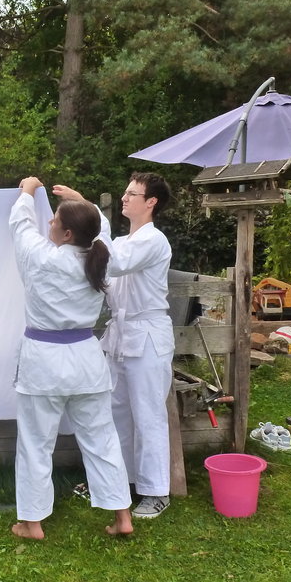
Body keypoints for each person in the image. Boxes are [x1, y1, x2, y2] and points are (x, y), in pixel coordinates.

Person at [9, 176, 133, 540]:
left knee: (35, 443)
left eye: (56, 220)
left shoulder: (40, 257)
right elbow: (101, 229)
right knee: (102, 439)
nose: (49, 221)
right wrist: (82, 201)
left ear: (66, 235)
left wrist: (27, 191)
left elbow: (20, 225)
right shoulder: (101, 257)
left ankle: (32, 523)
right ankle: (122, 517)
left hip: (43, 364)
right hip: (85, 362)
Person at [54, 172, 174, 519]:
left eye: (132, 194)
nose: (125, 198)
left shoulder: (153, 240)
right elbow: (103, 263)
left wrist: (86, 207)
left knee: (148, 415)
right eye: (125, 192)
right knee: (114, 413)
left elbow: (114, 263)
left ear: (151, 202)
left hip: (147, 335)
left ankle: (155, 491)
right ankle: (117, 483)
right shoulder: (123, 240)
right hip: (120, 335)